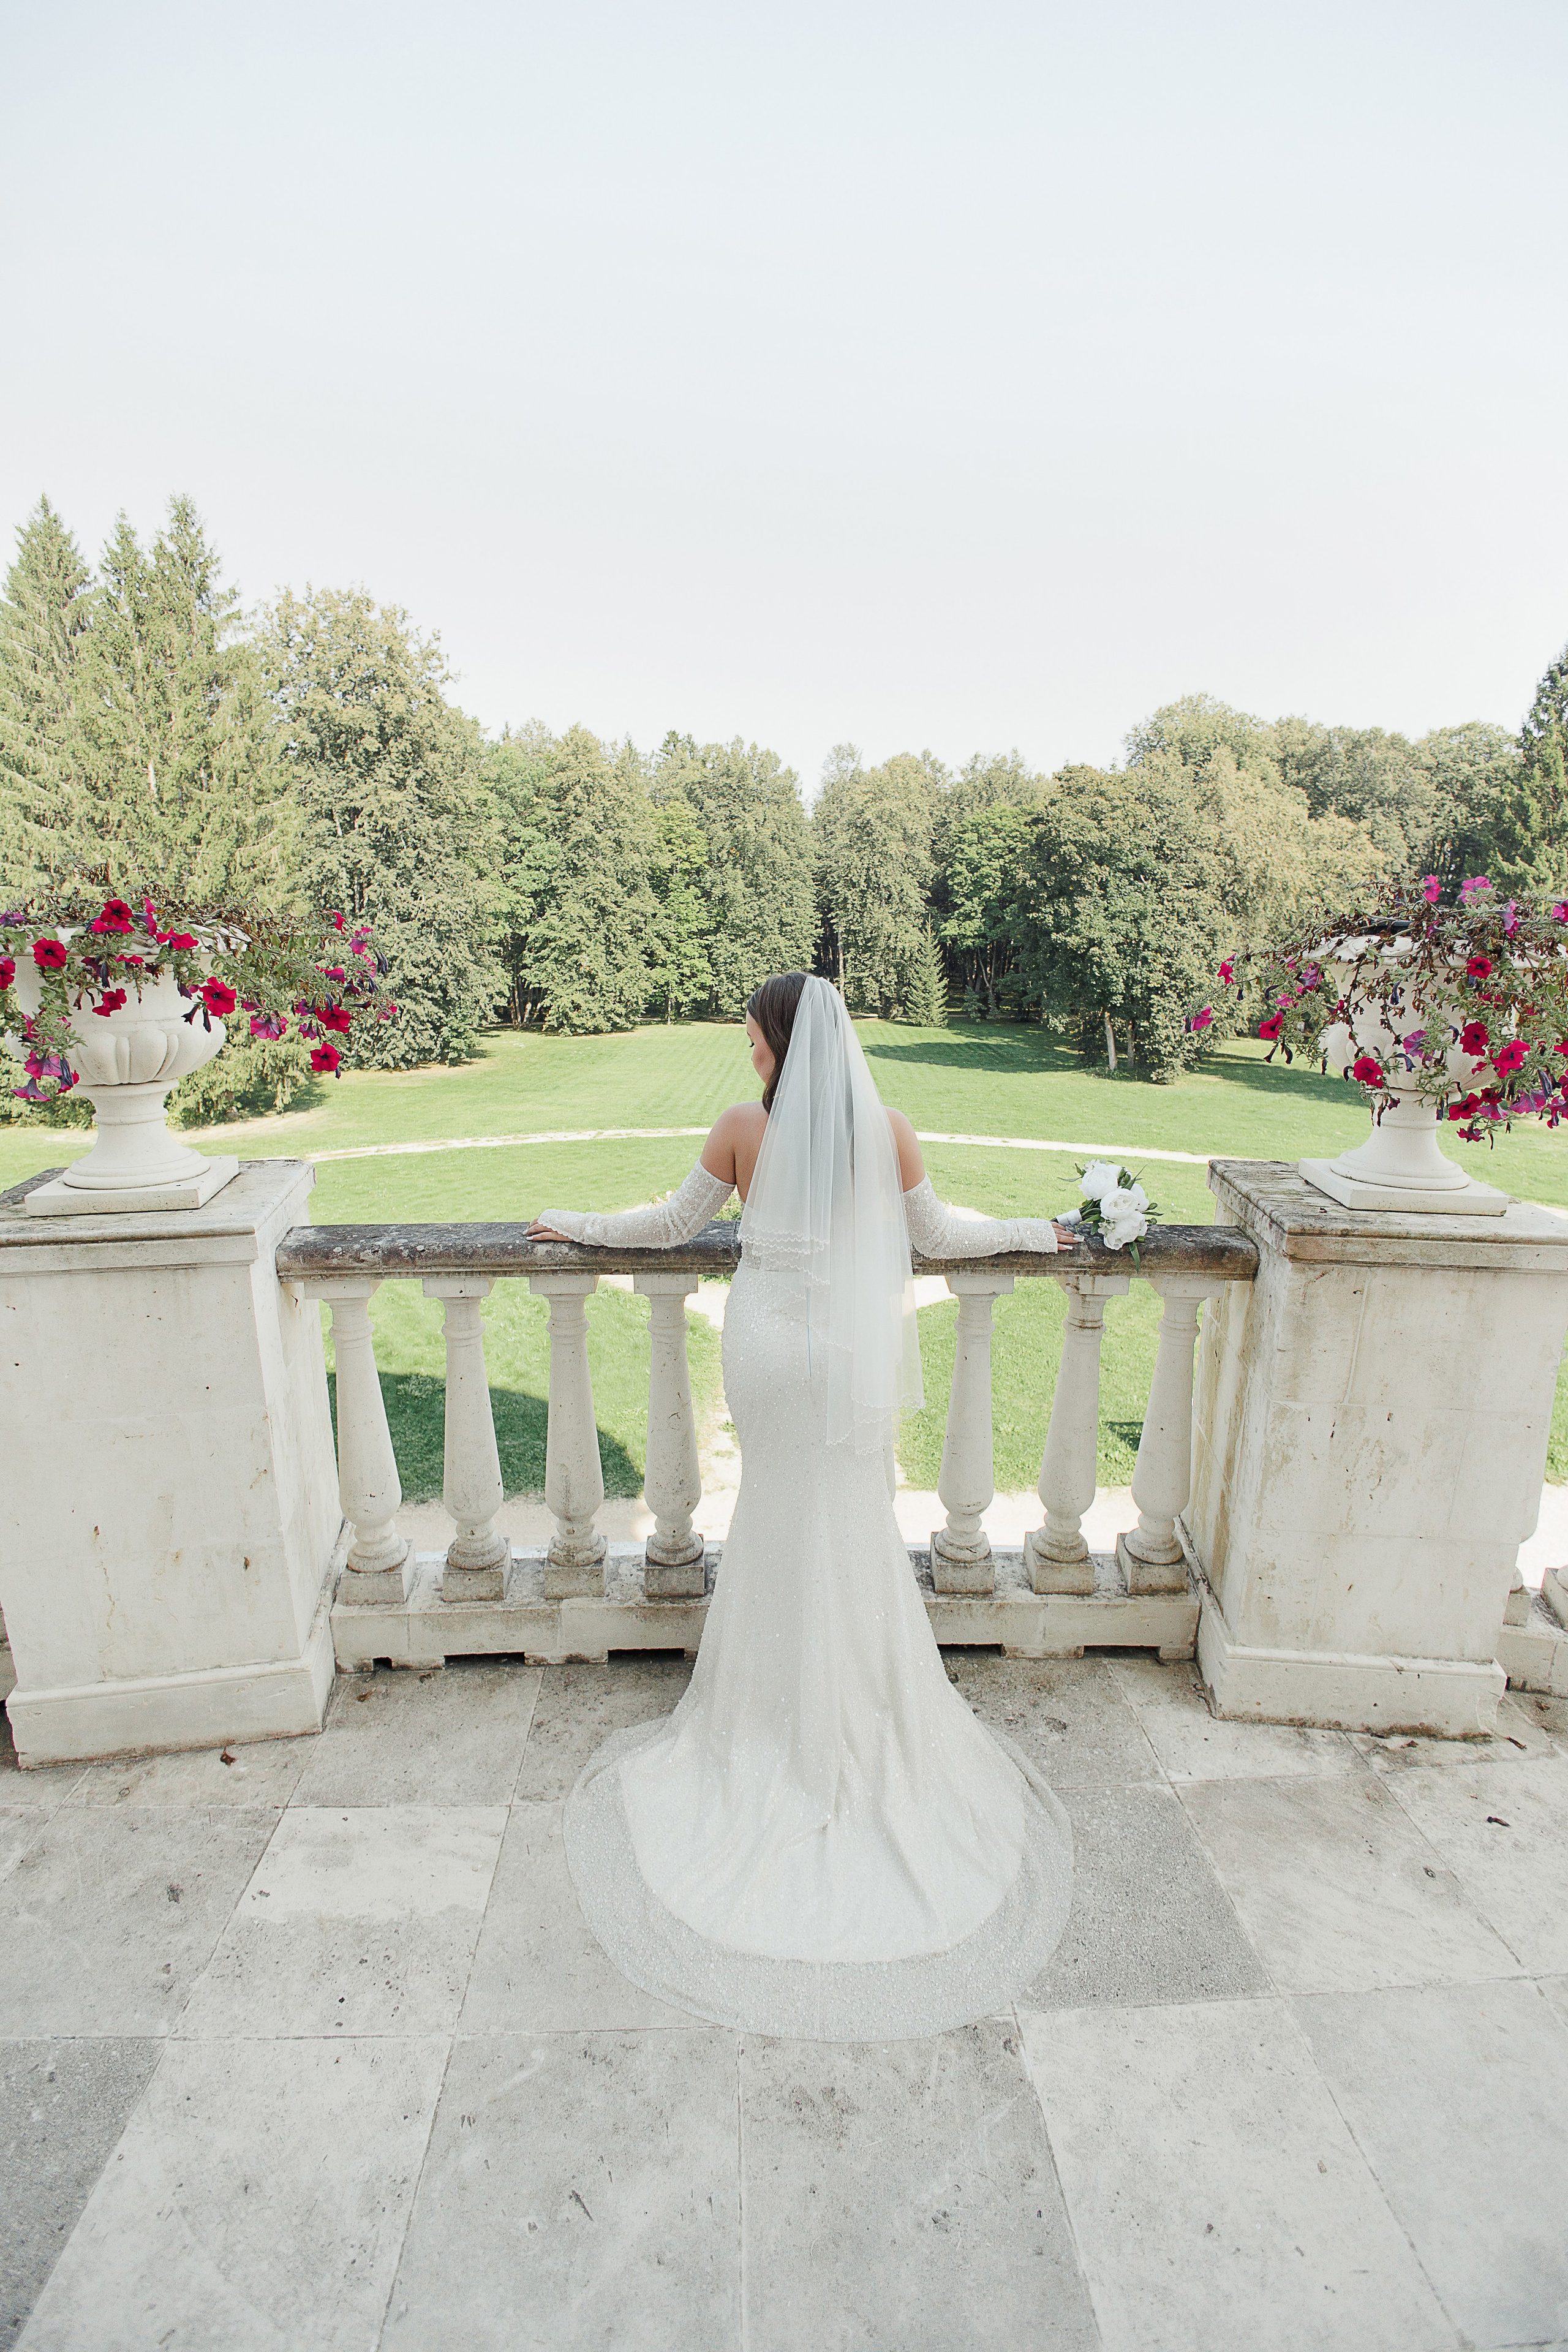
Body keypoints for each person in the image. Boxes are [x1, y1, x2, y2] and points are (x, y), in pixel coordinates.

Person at [527, 972, 1079, 2039]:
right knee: (849, 1528)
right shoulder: (893, 1129)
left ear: (782, 1041)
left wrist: (566, 1221)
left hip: (770, 1353)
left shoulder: (744, 1129)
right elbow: (949, 1234)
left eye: (753, 1039)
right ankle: (853, 1721)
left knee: (776, 1519)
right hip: (848, 1363)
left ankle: (767, 1720)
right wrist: (1039, 1229)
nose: (748, 1057)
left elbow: (661, 1225)